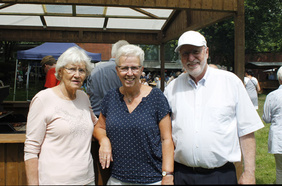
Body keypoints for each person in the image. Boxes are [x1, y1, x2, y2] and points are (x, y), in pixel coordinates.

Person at [163, 30, 264, 185]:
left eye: (196, 52)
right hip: (181, 174)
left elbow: (246, 131)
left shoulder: (231, 83)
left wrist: (249, 173)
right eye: (185, 53)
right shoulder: (172, 88)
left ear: (206, 51)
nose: (191, 58)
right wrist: (168, 173)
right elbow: (165, 135)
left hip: (220, 176)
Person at [93, 44, 174, 185]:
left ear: (141, 70)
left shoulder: (156, 97)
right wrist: (104, 140)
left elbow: (166, 139)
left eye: (134, 68)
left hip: (151, 180)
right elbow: (99, 127)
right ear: (117, 70)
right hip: (117, 179)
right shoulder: (111, 97)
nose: (129, 73)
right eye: (124, 68)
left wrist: (167, 174)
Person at [24, 46, 98, 185]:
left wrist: (105, 140)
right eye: (71, 69)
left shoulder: (83, 97)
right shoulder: (43, 99)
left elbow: (95, 123)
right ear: (60, 71)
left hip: (87, 180)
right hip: (55, 181)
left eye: (81, 70)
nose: (77, 74)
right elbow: (31, 149)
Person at [87, 40, 129, 117]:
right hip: (118, 118)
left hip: (95, 116)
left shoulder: (95, 70)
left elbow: (89, 96)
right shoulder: (127, 73)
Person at [262, 66, 282, 184]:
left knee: (280, 170)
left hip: (278, 137)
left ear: (279, 79)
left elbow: (267, 118)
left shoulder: (272, 96)